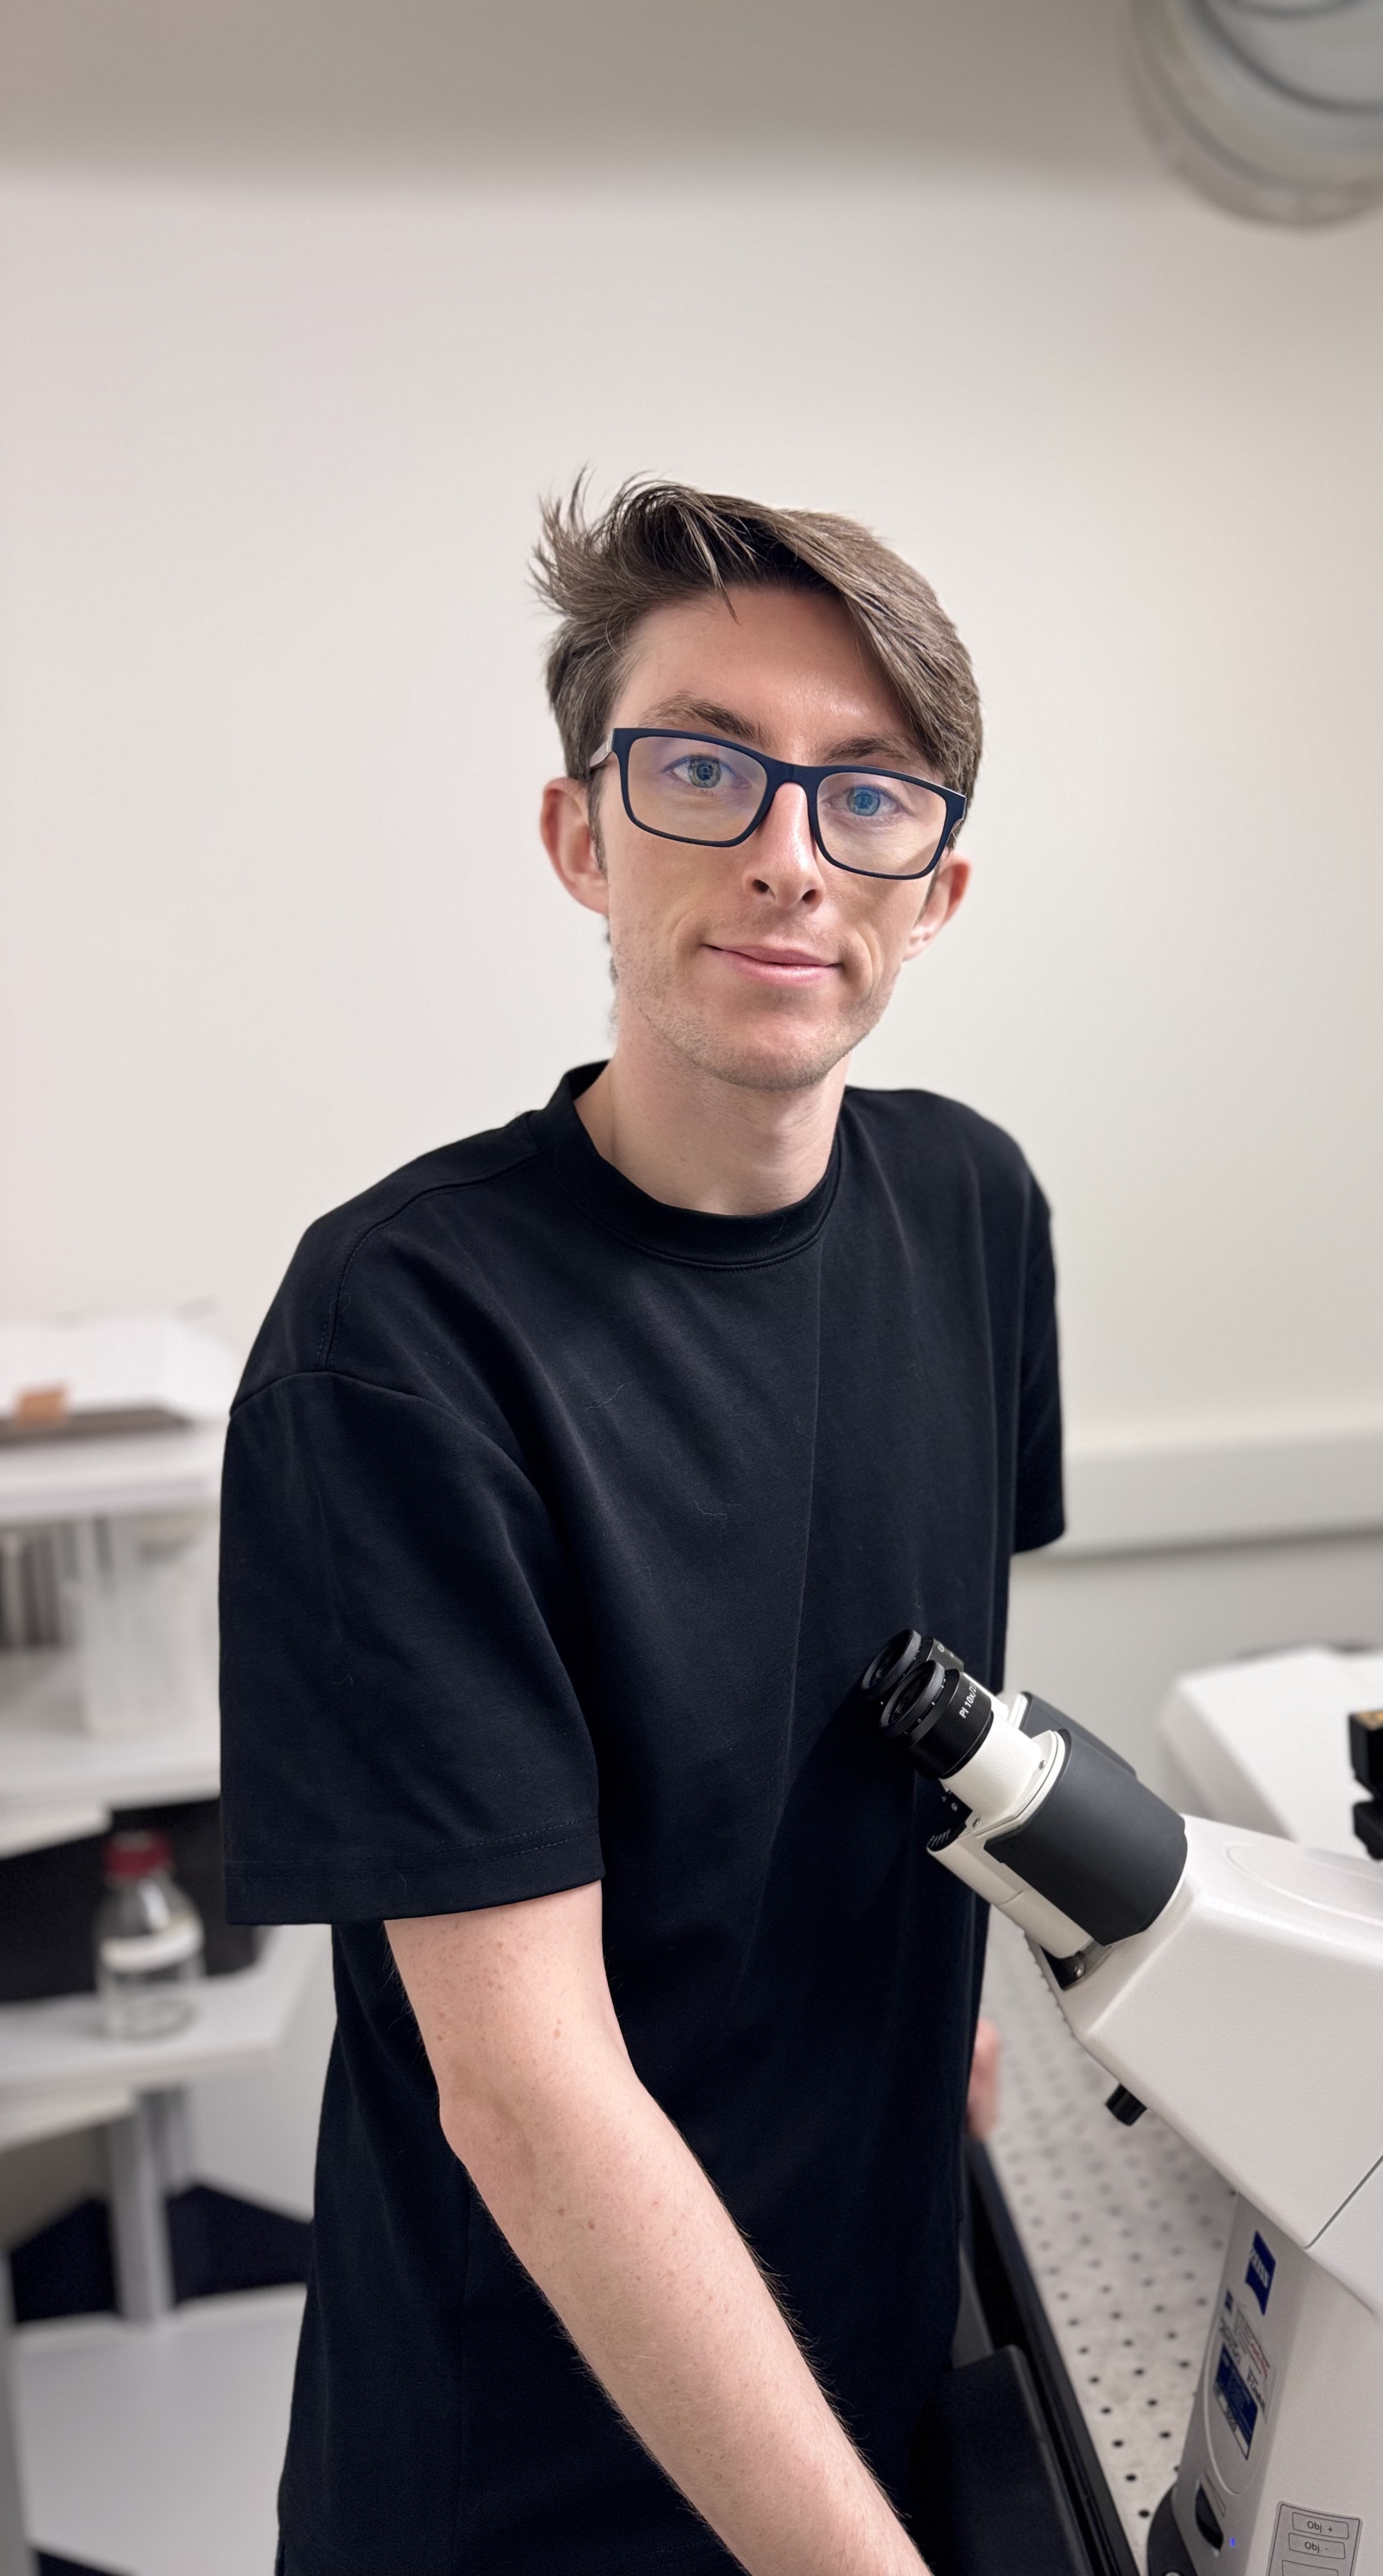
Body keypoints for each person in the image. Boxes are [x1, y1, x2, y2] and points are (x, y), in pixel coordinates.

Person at [219, 480, 1063, 2576]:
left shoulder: (975, 1212)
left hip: (848, 2385)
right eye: (705, 768)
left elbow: (941, 1688)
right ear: (582, 836)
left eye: (865, 796)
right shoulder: (401, 1335)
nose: (788, 849)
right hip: (529, 2480)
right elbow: (524, 2093)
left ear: (935, 891)